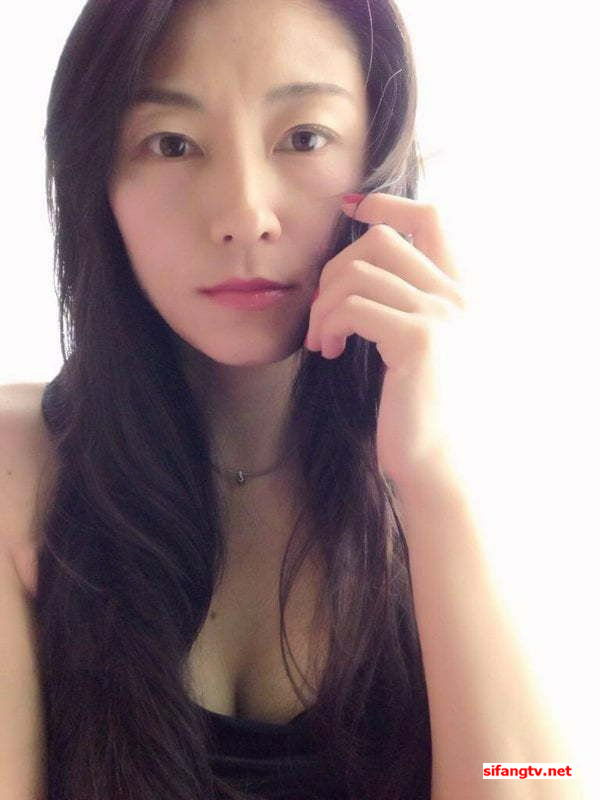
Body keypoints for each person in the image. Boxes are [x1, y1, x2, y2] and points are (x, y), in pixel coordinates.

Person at [0, 1, 575, 800]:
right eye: (172, 144)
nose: (244, 215)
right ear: (97, 179)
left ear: (380, 157)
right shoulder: (18, 471)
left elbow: (537, 778)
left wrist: (435, 480)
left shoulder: (470, 467)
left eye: (304, 137)